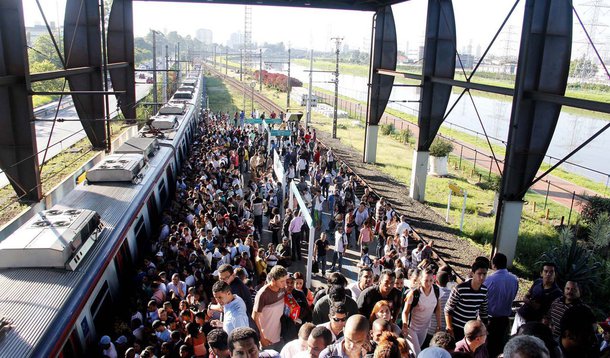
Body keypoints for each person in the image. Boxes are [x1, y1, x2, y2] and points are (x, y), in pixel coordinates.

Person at [483, 252, 519, 357]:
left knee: (487, 347)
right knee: (499, 347)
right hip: (504, 320)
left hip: (490, 320)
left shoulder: (489, 280)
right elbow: (514, 296)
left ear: (493, 265)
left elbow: (482, 297)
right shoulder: (514, 279)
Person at [445, 259, 489, 341]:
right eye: (479, 274)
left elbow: (483, 312)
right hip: (456, 328)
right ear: (473, 273)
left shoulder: (484, 291)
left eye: (484, 274)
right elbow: (448, 309)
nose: (482, 277)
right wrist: (450, 328)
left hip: (471, 330)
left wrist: (484, 330)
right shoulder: (460, 289)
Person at [512, 262, 562, 335]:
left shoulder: (557, 293)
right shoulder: (537, 282)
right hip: (520, 315)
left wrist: (535, 305)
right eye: (546, 271)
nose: (548, 274)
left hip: (533, 324)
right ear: (541, 273)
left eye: (551, 272)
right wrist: (531, 303)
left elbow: (549, 313)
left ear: (555, 274)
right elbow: (525, 297)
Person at [402, 268, 442, 355]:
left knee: (414, 351)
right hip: (412, 327)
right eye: (426, 280)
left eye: (431, 280)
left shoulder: (436, 291)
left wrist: (439, 325)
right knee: (417, 353)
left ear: (434, 280)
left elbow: (438, 309)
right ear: (420, 280)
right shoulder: (414, 294)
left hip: (424, 327)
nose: (428, 283)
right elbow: (405, 311)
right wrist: (404, 324)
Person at [252, 265, 288, 351]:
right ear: (273, 280)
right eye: (282, 281)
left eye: (285, 280)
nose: (285, 284)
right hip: (267, 340)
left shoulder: (283, 289)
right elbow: (254, 317)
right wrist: (261, 338)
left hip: (281, 337)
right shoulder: (262, 294)